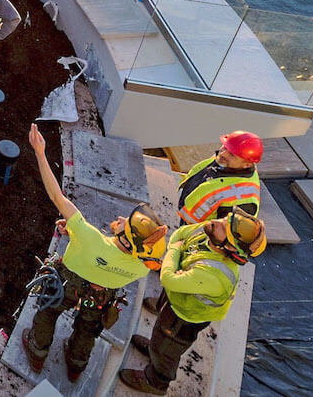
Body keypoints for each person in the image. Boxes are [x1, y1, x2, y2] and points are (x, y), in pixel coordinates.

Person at [21, 124, 168, 381]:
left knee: (48, 313)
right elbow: (112, 258)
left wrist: (41, 154)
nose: (121, 219)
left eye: (125, 224)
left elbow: (57, 196)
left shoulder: (89, 237)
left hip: (66, 286)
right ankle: (76, 364)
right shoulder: (143, 264)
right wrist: (74, 234)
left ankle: (37, 351)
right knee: (88, 328)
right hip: (100, 297)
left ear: (127, 239)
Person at [118, 212, 266, 394]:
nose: (216, 221)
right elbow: (180, 234)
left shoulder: (216, 274)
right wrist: (176, 258)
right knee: (160, 336)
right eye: (224, 219)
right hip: (177, 301)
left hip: (184, 320)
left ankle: (156, 382)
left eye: (223, 227)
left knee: (167, 350)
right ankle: (154, 348)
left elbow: (168, 278)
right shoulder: (210, 233)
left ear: (229, 246)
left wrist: (175, 251)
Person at [176, 132, 263, 224]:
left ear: (247, 164)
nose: (223, 154)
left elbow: (223, 231)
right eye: (225, 147)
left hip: (194, 230)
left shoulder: (244, 203)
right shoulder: (226, 162)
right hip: (183, 216)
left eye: (232, 154)